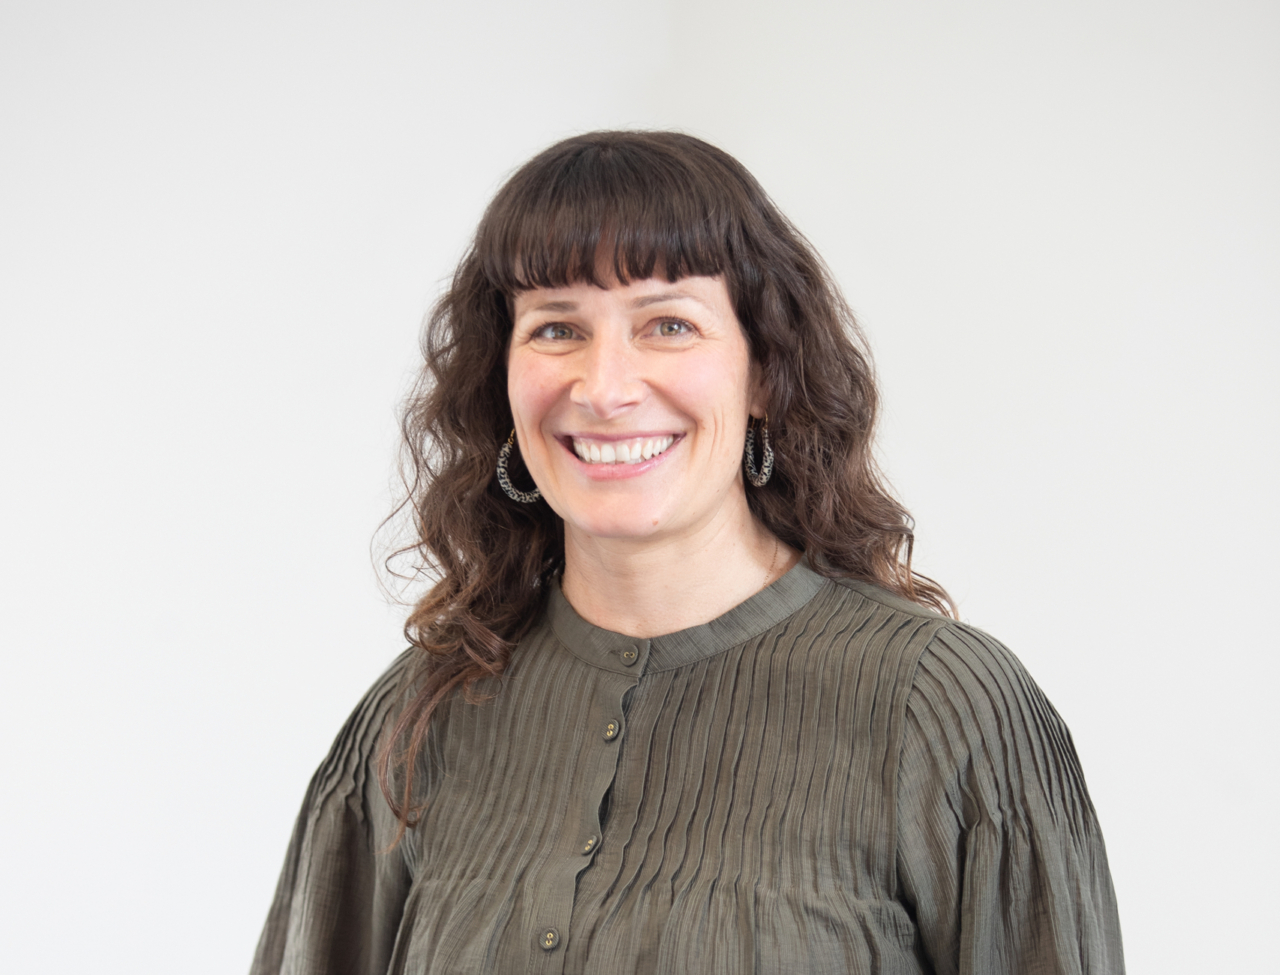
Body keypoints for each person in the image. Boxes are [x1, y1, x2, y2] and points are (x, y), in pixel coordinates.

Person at [250, 131, 1123, 975]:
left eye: (667, 324)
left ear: (767, 372)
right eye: (557, 328)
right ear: (501, 376)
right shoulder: (419, 715)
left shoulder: (941, 711)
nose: (606, 387)